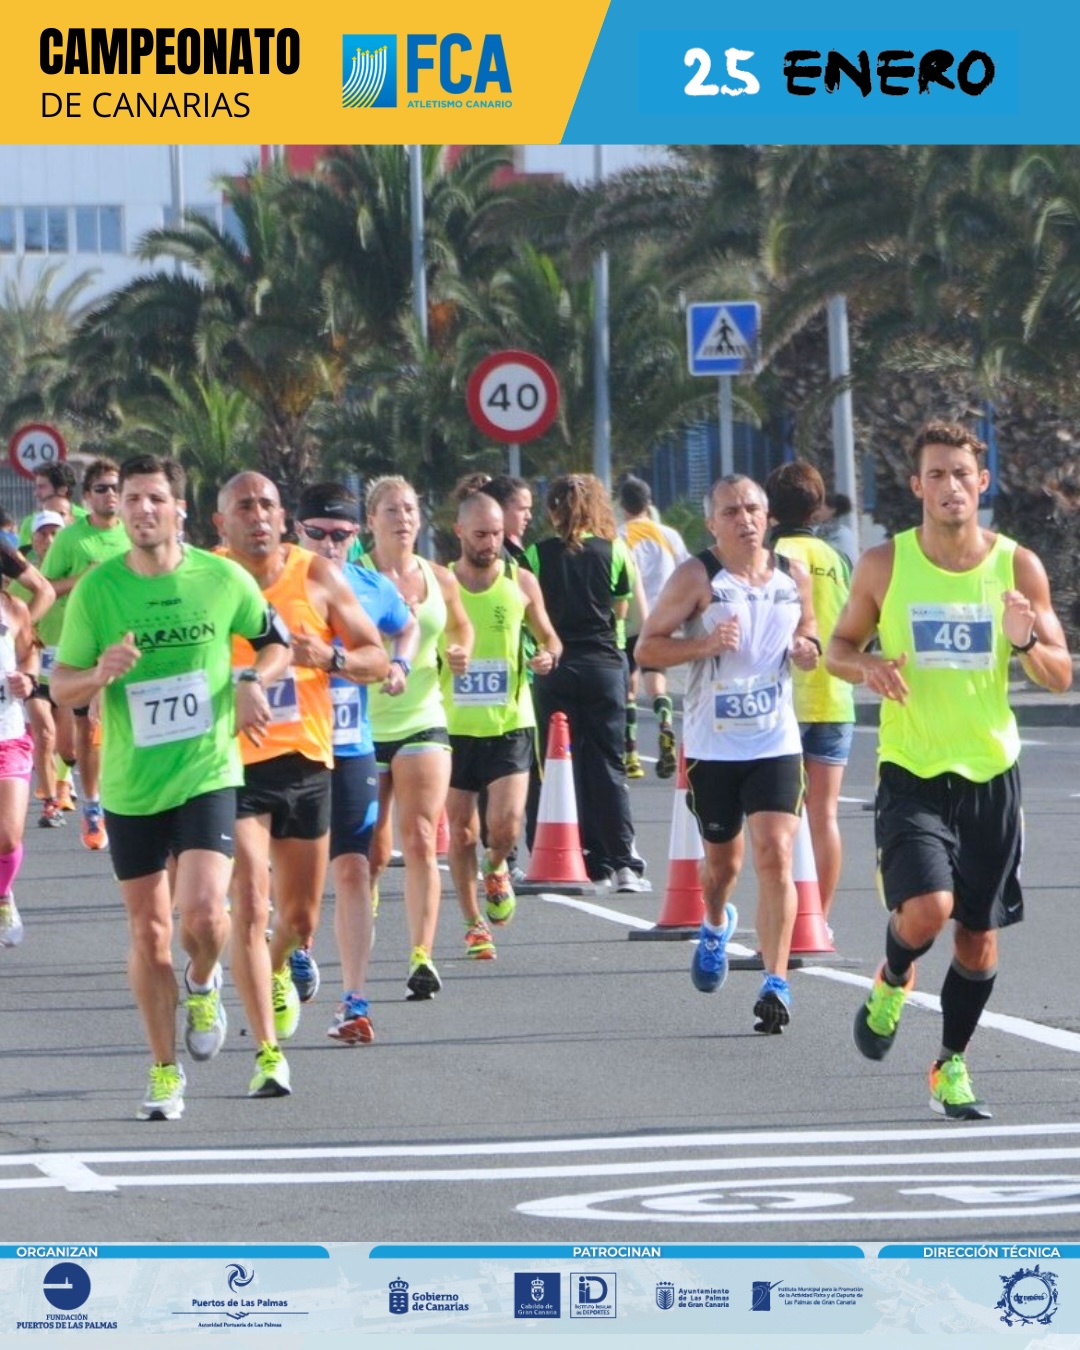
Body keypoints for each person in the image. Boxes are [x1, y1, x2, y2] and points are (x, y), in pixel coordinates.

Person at [827, 419, 1072, 1119]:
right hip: (912, 770)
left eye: (962, 473)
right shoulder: (885, 564)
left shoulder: (1018, 567)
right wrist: (867, 664)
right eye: (935, 474)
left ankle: (950, 1064)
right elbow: (837, 647)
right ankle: (894, 974)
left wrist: (1026, 640)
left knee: (976, 934)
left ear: (982, 482)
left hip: (991, 773)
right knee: (928, 911)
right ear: (916, 487)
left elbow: (1057, 675)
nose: (950, 486)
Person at [50, 452, 291, 1120]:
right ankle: (164, 1071)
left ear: (178, 508)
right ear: (118, 508)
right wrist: (99, 672)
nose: (142, 510)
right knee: (148, 931)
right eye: (130, 499)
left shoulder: (220, 578)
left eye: (155, 498)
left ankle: (205, 977)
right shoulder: (99, 592)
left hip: (207, 772)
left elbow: (278, 643)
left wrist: (250, 682)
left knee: (207, 912)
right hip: (132, 785)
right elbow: (60, 682)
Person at [216, 472, 389, 1080]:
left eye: (266, 504)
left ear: (283, 517)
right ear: (222, 523)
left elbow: (377, 657)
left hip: (309, 763)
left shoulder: (315, 576)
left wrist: (331, 656)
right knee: (250, 902)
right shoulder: (208, 579)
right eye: (244, 506)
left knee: (298, 918)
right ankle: (268, 1053)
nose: (257, 515)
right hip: (231, 764)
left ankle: (280, 962)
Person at [636, 474, 820, 1031]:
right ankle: (715, 923)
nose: (744, 519)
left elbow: (809, 633)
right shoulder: (696, 576)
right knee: (722, 866)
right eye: (731, 511)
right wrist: (704, 645)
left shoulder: (794, 575)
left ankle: (776, 980)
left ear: (768, 517)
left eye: (752, 509)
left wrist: (806, 649)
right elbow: (647, 647)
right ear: (711, 522)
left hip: (775, 741)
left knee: (775, 854)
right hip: (714, 746)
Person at [293, 481, 418, 1045]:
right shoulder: (277, 584)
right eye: (317, 533)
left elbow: (407, 625)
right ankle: (292, 947)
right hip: (289, 750)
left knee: (354, 867)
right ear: (299, 531)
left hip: (349, 746)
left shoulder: (371, 586)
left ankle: (355, 1000)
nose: (329, 544)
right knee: (293, 878)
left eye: (341, 535)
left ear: (355, 534)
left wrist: (400, 667)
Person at [360, 476, 473, 999]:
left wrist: (459, 652)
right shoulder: (349, 577)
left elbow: (461, 626)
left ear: (420, 520)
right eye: (390, 509)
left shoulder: (439, 577)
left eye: (409, 509)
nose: (401, 518)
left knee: (423, 837)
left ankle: (421, 955)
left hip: (422, 717)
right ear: (371, 520)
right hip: (360, 725)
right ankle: (365, 911)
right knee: (371, 851)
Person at [443, 492, 561, 957]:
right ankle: (474, 923)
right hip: (452, 728)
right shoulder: (441, 584)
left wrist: (549, 654)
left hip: (511, 721)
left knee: (506, 825)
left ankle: (496, 868)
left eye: (496, 534)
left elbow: (548, 635)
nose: (490, 543)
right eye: (480, 535)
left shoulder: (521, 581)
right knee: (460, 833)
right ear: (459, 533)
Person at [525, 473, 649, 893]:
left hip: (555, 665)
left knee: (559, 765)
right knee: (608, 764)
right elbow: (621, 610)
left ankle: (579, 855)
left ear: (552, 510)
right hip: (603, 665)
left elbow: (531, 611)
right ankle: (622, 860)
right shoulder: (615, 551)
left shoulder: (536, 555)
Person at [765, 460, 855, 926]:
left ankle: (783, 920)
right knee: (825, 817)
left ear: (769, 509)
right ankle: (818, 919)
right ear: (818, 507)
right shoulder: (837, 559)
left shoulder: (768, 554)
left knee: (780, 820)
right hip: (835, 697)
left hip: (780, 703)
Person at [41, 457, 130, 851]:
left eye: (115, 488)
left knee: (127, 725)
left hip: (131, 645)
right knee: (80, 739)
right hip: (81, 644)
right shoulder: (71, 539)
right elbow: (46, 587)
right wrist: (84, 578)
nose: (109, 495)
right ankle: (92, 803)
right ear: (87, 496)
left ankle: (122, 801)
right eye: (101, 488)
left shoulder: (134, 534)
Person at [618, 474, 689, 780]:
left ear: (622, 505)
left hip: (631, 617)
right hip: (664, 616)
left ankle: (631, 753)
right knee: (656, 676)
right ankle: (665, 723)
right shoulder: (669, 535)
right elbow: (687, 569)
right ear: (649, 503)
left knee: (629, 684)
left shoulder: (619, 535)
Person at [0, 576, 40, 947]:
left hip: (7, 734)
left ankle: (2, 893)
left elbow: (30, 652)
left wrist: (28, 679)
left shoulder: (12, 608)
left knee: (8, 836)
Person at [16, 461, 86, 549]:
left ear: (62, 490)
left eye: (42, 487)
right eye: (42, 533)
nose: (36, 493)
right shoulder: (29, 523)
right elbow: (24, 558)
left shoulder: (86, 520)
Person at [816, 491, 859, 569]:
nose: (816, 511)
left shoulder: (839, 533)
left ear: (832, 510)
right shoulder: (845, 532)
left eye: (820, 508)